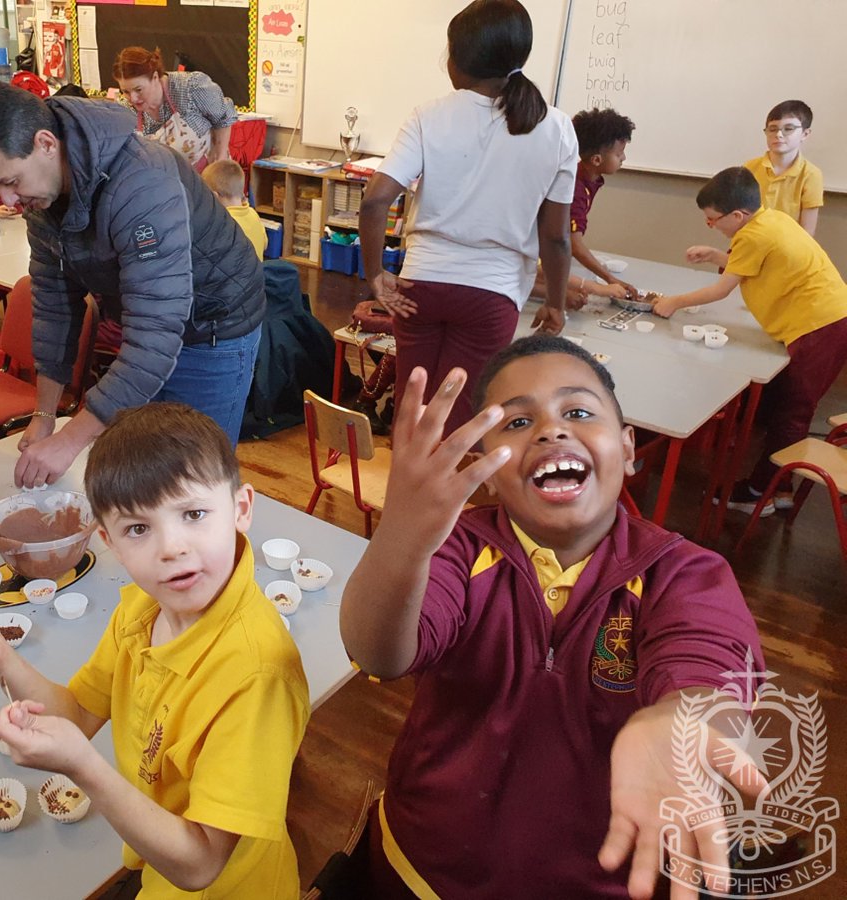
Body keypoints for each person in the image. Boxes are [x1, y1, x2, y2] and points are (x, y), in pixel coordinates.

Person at [340, 336, 764, 897]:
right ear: (487, 470)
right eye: (515, 424)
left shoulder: (684, 573)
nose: (550, 430)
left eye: (579, 411)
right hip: (425, 868)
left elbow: (708, 667)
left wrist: (680, 722)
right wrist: (402, 538)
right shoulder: (458, 547)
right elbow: (378, 652)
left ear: (629, 448)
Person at [0, 403, 310, 898]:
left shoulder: (257, 676)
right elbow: (79, 712)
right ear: (109, 542)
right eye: (138, 529)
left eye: (193, 514)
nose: (172, 548)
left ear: (241, 510)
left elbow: (201, 864)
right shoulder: (143, 612)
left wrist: (83, 766)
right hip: (155, 865)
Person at [0, 81, 265, 489]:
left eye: (11, 180)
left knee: (197, 479)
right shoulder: (41, 194)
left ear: (46, 143)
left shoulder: (142, 182)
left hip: (215, 325)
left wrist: (69, 441)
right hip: (155, 324)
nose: (8, 199)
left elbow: (154, 339)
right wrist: (45, 418)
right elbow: (53, 303)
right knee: (150, 472)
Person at [358, 0, 577, 438]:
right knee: (460, 424)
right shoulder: (557, 128)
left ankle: (404, 505)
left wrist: (375, 275)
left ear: (460, 59)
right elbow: (555, 238)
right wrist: (555, 301)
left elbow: (374, 200)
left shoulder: (429, 115)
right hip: (492, 297)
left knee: (411, 411)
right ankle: (449, 509)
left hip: (420, 285)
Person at [653, 167, 847, 515]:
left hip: (822, 323)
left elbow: (721, 289)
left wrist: (673, 302)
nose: (710, 226)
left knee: (793, 411)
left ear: (738, 215)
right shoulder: (771, 219)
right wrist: (715, 256)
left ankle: (764, 491)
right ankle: (778, 485)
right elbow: (750, 263)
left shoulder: (752, 236)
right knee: (781, 404)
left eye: (713, 221)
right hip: (824, 317)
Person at [113, 46, 236, 171]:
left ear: (155, 77)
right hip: (165, 184)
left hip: (208, 176)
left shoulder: (190, 88)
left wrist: (220, 161)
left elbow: (223, 118)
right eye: (125, 91)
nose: (133, 98)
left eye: (138, 90)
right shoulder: (126, 111)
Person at [569, 107, 637, 296]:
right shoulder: (574, 189)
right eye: (619, 153)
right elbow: (574, 244)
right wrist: (610, 279)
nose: (624, 158)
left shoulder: (589, 179)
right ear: (597, 160)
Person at [743, 100, 822, 237]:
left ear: (805, 134)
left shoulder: (811, 175)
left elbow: (807, 232)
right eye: (772, 129)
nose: (778, 135)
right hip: (752, 243)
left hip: (787, 250)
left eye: (788, 129)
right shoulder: (749, 168)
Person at [201, 158, 265, 260]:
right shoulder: (253, 214)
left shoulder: (220, 223)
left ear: (214, 197)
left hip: (233, 275)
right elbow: (264, 243)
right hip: (256, 274)